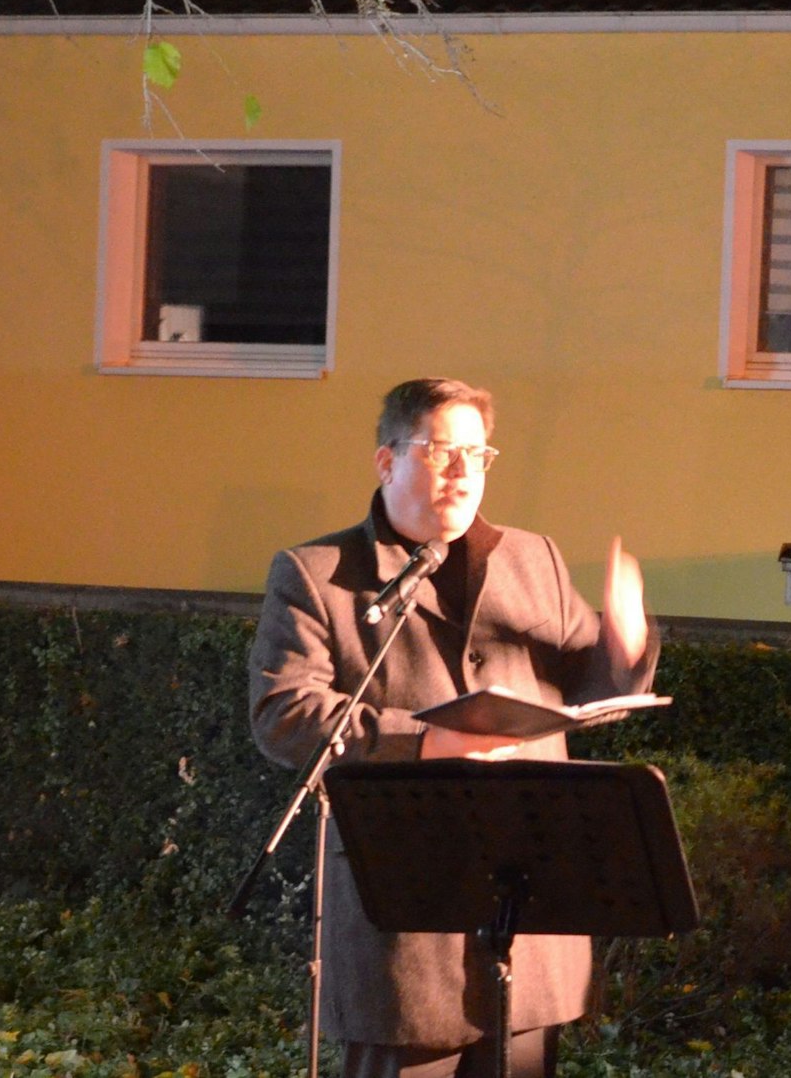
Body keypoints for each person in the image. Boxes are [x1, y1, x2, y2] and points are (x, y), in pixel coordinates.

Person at [248, 377, 656, 1078]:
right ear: (387, 460)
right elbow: (284, 715)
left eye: (478, 453)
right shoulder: (319, 575)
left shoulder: (536, 560)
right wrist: (425, 739)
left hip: (530, 918)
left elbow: (598, 695)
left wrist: (623, 648)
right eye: (442, 451)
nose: (464, 471)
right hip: (406, 934)